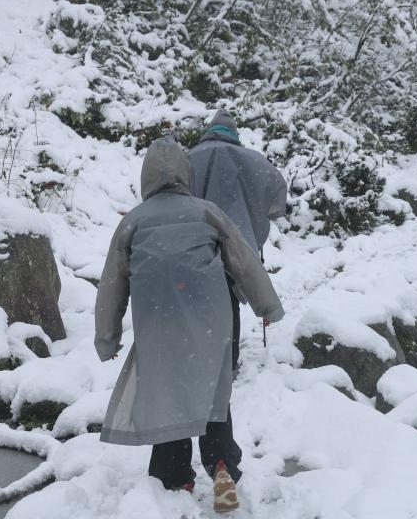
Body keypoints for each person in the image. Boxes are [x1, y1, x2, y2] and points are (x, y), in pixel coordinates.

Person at [94, 138, 284, 512]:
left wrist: (107, 338)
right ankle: (222, 468)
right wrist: (267, 306)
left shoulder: (133, 221)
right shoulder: (206, 212)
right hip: (209, 317)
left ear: (146, 178)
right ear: (186, 174)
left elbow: (112, 284)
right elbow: (243, 261)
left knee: (166, 396)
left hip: (157, 323)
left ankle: (173, 479)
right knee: (212, 394)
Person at [187, 109, 287, 372]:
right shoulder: (249, 160)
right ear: (234, 133)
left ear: (209, 130)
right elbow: (276, 184)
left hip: (197, 240)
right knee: (230, 299)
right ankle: (228, 362)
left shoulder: (189, 159)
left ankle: (200, 356)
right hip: (236, 241)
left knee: (198, 299)